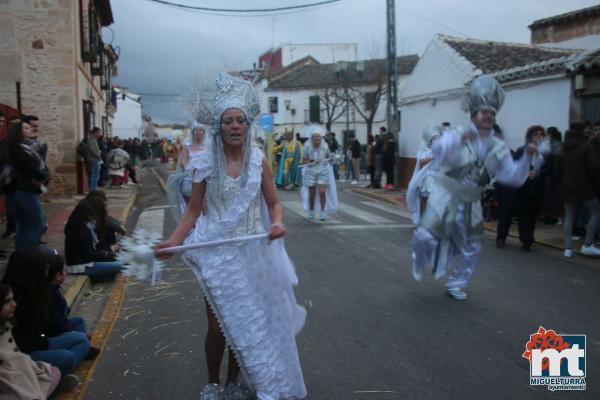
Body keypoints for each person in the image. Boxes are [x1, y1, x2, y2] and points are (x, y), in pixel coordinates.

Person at [156, 72, 306, 400]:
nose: (235, 126)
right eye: (228, 121)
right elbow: (193, 212)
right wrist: (173, 241)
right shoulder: (202, 164)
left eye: (240, 120)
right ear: (219, 127)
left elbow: (274, 202)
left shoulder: (259, 162)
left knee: (245, 327)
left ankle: (235, 383)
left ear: (247, 125)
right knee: (217, 327)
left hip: (252, 252)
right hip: (215, 252)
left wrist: (276, 225)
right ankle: (213, 382)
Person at [411, 75, 536, 300]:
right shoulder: (458, 135)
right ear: (473, 114)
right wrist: (459, 138)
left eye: (492, 113)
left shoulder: (498, 147)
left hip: (471, 202)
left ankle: (456, 283)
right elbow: (439, 151)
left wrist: (526, 158)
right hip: (445, 196)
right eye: (484, 112)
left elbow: (513, 177)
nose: (488, 116)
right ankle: (419, 259)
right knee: (424, 237)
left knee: (473, 248)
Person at [1, 247, 90, 379]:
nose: (46, 272)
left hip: (39, 341)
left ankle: (54, 371)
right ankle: (54, 375)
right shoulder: (13, 299)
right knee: (68, 356)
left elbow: (44, 327)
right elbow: (22, 343)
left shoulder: (36, 290)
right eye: (45, 269)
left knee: (80, 336)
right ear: (33, 270)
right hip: (24, 353)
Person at [0, 283, 64, 398]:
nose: (14, 304)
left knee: (55, 371)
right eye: (7, 301)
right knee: (67, 357)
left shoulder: (7, 323)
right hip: (12, 380)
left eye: (13, 299)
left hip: (26, 367)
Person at [496, 126, 546, 251]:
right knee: (508, 213)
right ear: (530, 137)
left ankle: (527, 240)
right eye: (536, 135)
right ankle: (501, 237)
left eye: (541, 135)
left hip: (536, 188)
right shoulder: (522, 150)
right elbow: (515, 167)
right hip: (519, 187)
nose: (538, 137)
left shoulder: (544, 153)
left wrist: (538, 173)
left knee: (530, 215)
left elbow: (550, 170)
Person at [556, 121, 600, 257]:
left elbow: (557, 170)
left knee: (569, 216)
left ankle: (567, 249)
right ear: (582, 131)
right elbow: (593, 168)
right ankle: (587, 245)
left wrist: (561, 184)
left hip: (567, 186)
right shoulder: (586, 146)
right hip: (584, 186)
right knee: (597, 212)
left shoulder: (562, 147)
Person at [6, 122, 49, 248]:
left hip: (23, 189)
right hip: (26, 190)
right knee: (37, 225)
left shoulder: (23, 147)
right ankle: (28, 256)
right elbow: (28, 168)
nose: (30, 129)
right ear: (18, 132)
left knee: (24, 226)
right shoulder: (19, 149)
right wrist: (43, 176)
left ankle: (21, 256)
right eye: (26, 128)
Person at [64, 198, 123, 280]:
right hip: (82, 266)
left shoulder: (73, 226)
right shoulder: (83, 230)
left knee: (117, 261)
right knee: (121, 265)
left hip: (77, 265)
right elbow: (89, 255)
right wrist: (105, 254)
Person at [166, 122, 207, 221]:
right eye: (196, 130)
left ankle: (202, 231)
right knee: (191, 209)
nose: (198, 133)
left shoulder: (208, 147)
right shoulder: (188, 146)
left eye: (200, 130)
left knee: (204, 209)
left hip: (205, 179)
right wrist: (190, 167)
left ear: (204, 133)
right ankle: (192, 230)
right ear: (193, 133)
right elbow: (183, 162)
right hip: (190, 180)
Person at [300, 124, 337, 221]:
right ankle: (311, 211)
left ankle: (323, 212)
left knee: (322, 192)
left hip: (322, 171)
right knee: (311, 194)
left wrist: (332, 159)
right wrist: (312, 161)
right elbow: (303, 160)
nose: (316, 138)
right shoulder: (307, 148)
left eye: (318, 137)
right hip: (311, 172)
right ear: (312, 138)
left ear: (320, 138)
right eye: (314, 137)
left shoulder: (325, 147)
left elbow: (329, 158)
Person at [407, 125, 442, 224]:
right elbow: (421, 162)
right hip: (427, 176)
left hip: (438, 177)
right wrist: (433, 157)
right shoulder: (425, 149)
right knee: (425, 198)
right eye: (434, 138)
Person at [87, 127, 103, 191]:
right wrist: (98, 155)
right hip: (94, 159)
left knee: (96, 175)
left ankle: (94, 188)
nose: (100, 134)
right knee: (95, 175)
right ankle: (93, 190)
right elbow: (92, 150)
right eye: (99, 132)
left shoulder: (94, 139)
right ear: (95, 132)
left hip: (95, 159)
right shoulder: (91, 139)